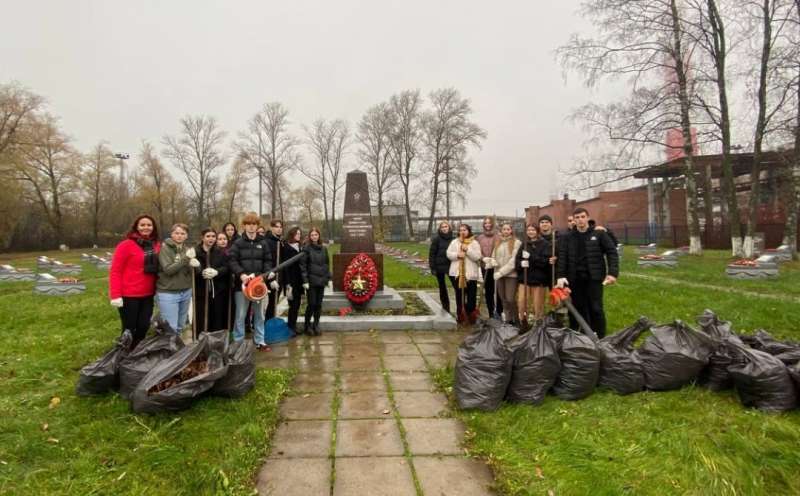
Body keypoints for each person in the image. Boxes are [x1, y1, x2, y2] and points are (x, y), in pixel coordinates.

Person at [557, 207, 619, 338]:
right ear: (573, 220)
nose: (580, 220)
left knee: (595, 308)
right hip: (575, 279)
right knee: (577, 308)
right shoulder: (567, 237)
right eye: (577, 217)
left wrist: (613, 273)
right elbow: (562, 257)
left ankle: (600, 337)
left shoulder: (599, 234)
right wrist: (560, 276)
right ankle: (578, 335)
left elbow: (612, 252)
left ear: (588, 218)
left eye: (582, 217)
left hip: (594, 278)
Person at [109, 214, 161, 348]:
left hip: (148, 293)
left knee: (143, 326)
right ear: (136, 227)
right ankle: (123, 355)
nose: (146, 227)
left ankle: (135, 354)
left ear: (153, 227)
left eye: (149, 225)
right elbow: (116, 271)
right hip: (129, 295)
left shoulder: (156, 245)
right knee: (129, 329)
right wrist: (115, 295)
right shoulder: (126, 245)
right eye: (142, 225)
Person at [229, 212, 274, 350]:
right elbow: (232, 261)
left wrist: (264, 275)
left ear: (257, 226)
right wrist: (241, 274)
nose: (251, 227)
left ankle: (260, 341)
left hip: (259, 285)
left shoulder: (263, 242)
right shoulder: (238, 243)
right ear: (244, 226)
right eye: (248, 224)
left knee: (260, 315)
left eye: (254, 224)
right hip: (242, 286)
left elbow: (268, 261)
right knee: (241, 315)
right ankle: (238, 343)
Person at [157, 223, 199, 334]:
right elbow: (168, 270)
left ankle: (177, 348)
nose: (179, 236)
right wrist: (186, 259)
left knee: (180, 326)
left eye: (182, 233)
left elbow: (190, 272)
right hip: (169, 292)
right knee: (171, 328)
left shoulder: (187, 249)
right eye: (176, 233)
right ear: (172, 234)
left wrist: (196, 265)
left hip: (185, 291)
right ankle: (169, 350)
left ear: (186, 236)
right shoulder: (165, 249)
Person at [193, 228, 230, 333]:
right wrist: (200, 272)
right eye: (208, 236)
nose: (211, 239)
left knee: (216, 317)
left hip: (217, 291)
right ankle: (200, 341)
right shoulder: (195, 252)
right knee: (201, 317)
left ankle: (215, 342)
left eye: (213, 236)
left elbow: (226, 267)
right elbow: (192, 270)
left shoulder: (220, 252)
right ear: (202, 237)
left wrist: (217, 272)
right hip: (200, 291)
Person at [515, 224, 553, 323]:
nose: (530, 232)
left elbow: (545, 262)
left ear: (537, 231)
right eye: (529, 230)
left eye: (533, 230)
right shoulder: (524, 244)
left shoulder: (544, 244)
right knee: (522, 301)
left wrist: (531, 257)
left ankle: (538, 323)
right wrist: (521, 263)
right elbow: (517, 259)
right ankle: (523, 321)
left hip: (538, 279)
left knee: (538, 304)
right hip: (525, 278)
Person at [447, 223, 482, 324]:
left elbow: (477, 257)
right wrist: (457, 255)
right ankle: (460, 317)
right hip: (458, 274)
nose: (462, 232)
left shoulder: (474, 243)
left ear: (468, 231)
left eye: (464, 230)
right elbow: (448, 254)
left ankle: (469, 313)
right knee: (459, 297)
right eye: (461, 230)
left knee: (471, 299)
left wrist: (468, 250)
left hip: (470, 275)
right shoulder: (454, 242)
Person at [301, 227, 331, 336]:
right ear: (310, 236)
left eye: (316, 235)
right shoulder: (307, 248)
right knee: (311, 304)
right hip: (311, 282)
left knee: (318, 304)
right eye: (312, 235)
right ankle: (307, 325)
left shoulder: (324, 249)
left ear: (319, 236)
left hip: (321, 281)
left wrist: (327, 277)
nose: (314, 236)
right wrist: (305, 280)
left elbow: (327, 264)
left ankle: (316, 325)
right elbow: (303, 265)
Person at [491, 222, 521, 324]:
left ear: (511, 230)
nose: (506, 231)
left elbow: (513, 262)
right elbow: (493, 255)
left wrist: (501, 272)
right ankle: (508, 320)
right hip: (499, 274)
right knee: (503, 298)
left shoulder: (516, 242)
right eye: (504, 229)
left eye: (508, 229)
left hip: (511, 275)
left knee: (510, 299)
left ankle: (516, 319)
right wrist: (492, 261)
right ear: (501, 231)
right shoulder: (498, 242)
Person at [476, 217, 502, 319]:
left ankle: (499, 311)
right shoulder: (480, 238)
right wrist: (483, 258)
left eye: (489, 223)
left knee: (498, 289)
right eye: (485, 223)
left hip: (496, 266)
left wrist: (494, 259)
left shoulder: (498, 236)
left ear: (492, 224)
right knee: (489, 289)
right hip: (485, 266)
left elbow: (500, 250)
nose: (487, 225)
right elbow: (478, 251)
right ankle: (491, 312)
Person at [281, 226, 306, 335]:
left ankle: (293, 326)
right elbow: (285, 267)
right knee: (293, 305)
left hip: (299, 281)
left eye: (300, 234)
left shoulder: (300, 247)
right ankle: (291, 327)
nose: (299, 235)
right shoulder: (286, 247)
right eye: (297, 234)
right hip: (291, 282)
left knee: (297, 305)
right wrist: (287, 283)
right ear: (292, 235)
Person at [428, 221, 455, 313]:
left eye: (446, 226)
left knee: (456, 286)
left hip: (451, 266)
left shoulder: (453, 239)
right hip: (439, 267)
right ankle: (445, 307)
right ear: (440, 228)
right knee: (442, 287)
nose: (444, 228)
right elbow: (432, 254)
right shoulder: (436, 239)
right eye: (442, 227)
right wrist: (433, 268)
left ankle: (460, 305)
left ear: (449, 227)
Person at [264, 219, 284, 320]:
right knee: (270, 303)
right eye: (277, 227)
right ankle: (266, 324)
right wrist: (270, 279)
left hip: (280, 277)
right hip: (271, 277)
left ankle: (270, 322)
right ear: (271, 228)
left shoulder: (281, 241)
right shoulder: (267, 241)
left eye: (280, 227)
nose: (279, 229)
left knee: (274, 303)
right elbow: (267, 261)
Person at [215, 231, 233, 330]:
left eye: (224, 239)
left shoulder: (231, 252)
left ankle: (228, 332)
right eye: (220, 239)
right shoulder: (215, 253)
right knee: (218, 312)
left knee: (229, 311)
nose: (223, 241)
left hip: (229, 286)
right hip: (218, 287)